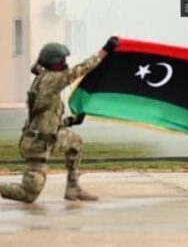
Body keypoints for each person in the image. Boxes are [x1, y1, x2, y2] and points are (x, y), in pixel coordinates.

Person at [0, 38, 118, 203]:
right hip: (38, 144)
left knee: (75, 142)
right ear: (54, 63)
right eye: (62, 60)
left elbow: (47, 117)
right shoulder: (51, 79)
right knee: (29, 195)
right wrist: (105, 50)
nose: (65, 63)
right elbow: (82, 68)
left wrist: (70, 121)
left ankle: (73, 188)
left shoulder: (46, 78)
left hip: (50, 137)